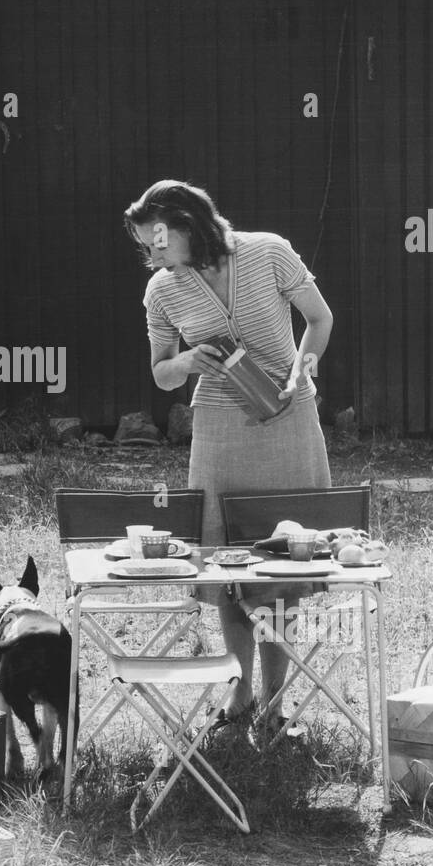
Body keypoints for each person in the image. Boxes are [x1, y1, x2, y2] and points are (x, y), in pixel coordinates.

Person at [124, 180, 334, 734]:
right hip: (219, 427)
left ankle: (277, 698)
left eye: (157, 241)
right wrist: (190, 359)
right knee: (225, 559)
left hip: (290, 419)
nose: (152, 255)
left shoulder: (269, 252)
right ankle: (240, 690)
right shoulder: (163, 291)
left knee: (283, 560)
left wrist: (302, 369)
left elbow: (320, 319)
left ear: (188, 223)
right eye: (145, 246)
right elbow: (161, 373)